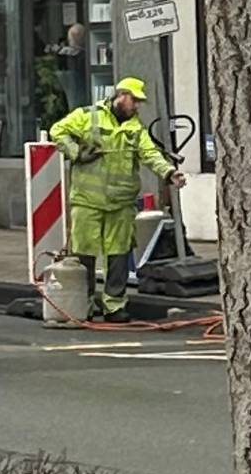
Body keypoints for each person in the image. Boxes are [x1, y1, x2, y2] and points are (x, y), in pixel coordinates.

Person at [48, 78, 180, 321]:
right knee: (84, 254)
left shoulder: (135, 128)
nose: (137, 106)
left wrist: (169, 172)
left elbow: (150, 153)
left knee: (118, 255)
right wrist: (76, 152)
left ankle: (114, 306)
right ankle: (83, 304)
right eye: (135, 100)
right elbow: (58, 131)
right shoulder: (88, 116)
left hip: (120, 203)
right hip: (88, 201)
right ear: (121, 95)